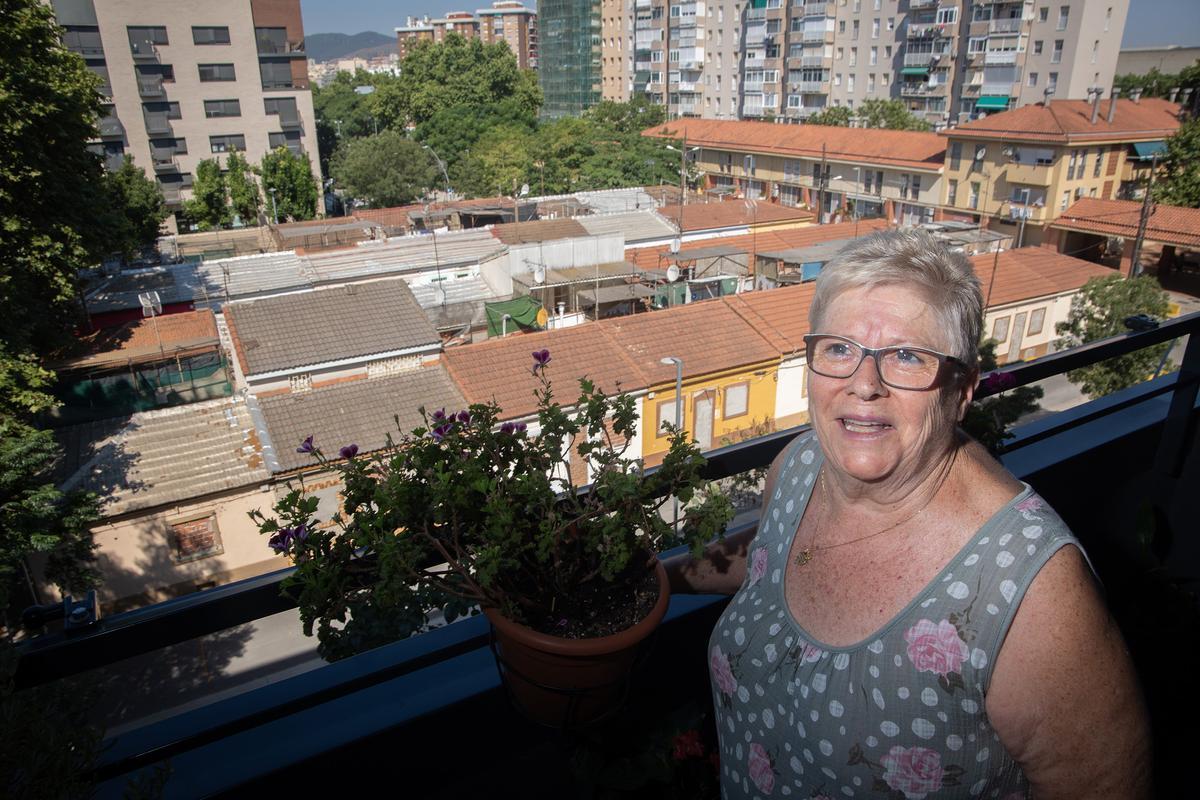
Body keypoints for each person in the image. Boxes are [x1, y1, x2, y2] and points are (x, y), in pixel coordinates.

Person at [667, 230, 1150, 799]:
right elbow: (768, 554)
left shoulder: (1030, 592)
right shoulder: (799, 465)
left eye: (906, 356)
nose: (863, 385)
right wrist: (664, 577)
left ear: (962, 389)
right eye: (840, 349)